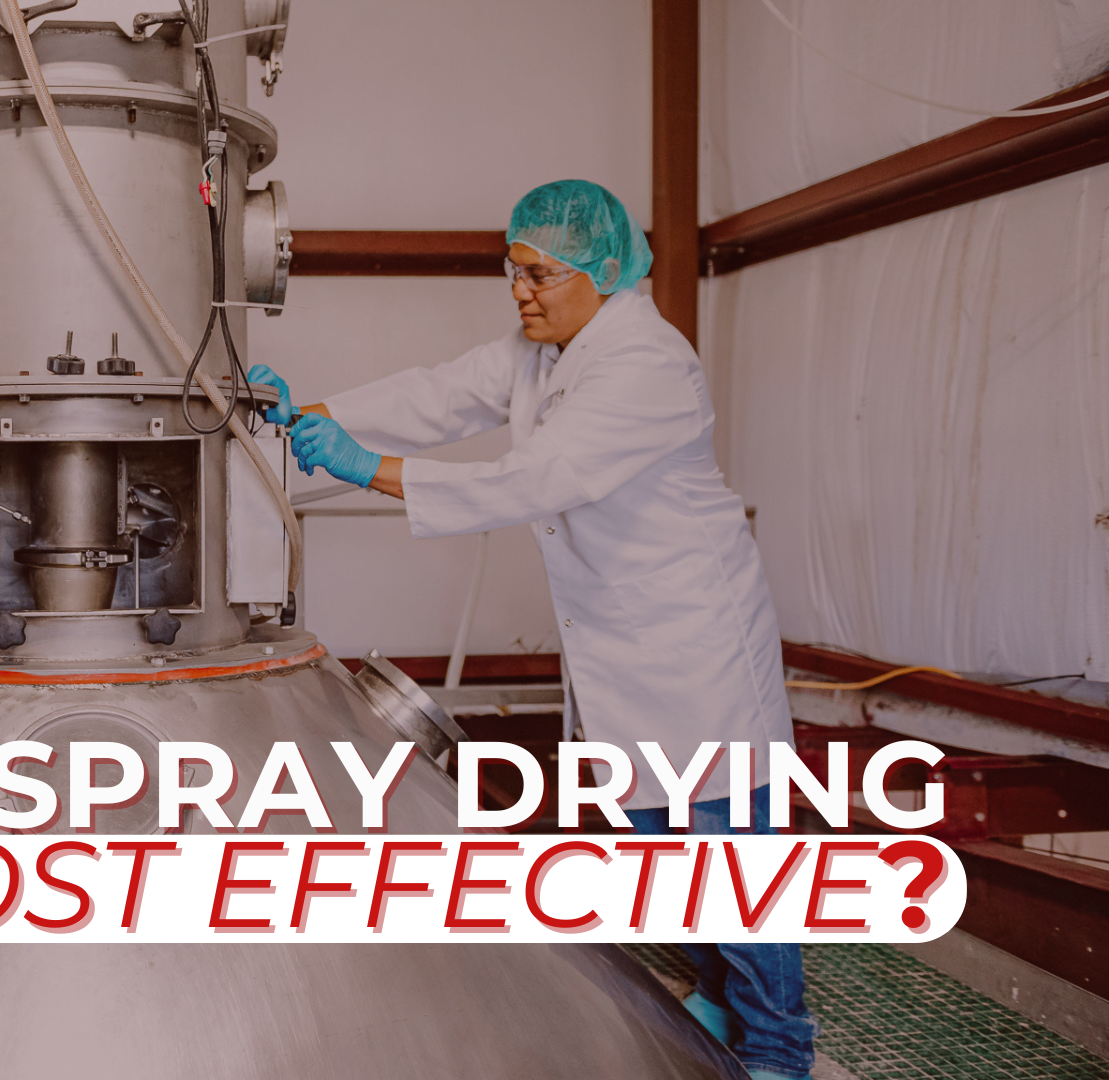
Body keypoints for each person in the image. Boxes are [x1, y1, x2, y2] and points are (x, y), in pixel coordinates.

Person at [249, 179, 813, 1080]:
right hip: (626, 640)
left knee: (727, 845)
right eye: (513, 272)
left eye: (540, 274)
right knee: (661, 835)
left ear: (600, 273)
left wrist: (368, 471)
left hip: (693, 641)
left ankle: (782, 1047)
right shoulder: (544, 348)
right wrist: (318, 415)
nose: (521, 291)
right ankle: (715, 997)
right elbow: (442, 394)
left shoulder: (645, 364)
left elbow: (535, 479)